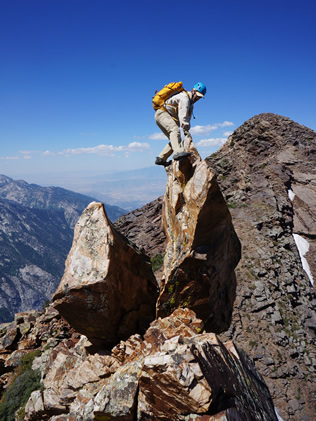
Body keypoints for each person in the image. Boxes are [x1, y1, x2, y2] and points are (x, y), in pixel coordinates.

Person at [154, 82, 207, 166]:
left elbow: (187, 118)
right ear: (193, 91)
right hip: (162, 114)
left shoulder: (191, 105)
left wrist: (186, 131)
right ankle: (178, 153)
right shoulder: (184, 98)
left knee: (176, 140)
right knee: (175, 130)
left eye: (200, 97)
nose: (197, 98)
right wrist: (185, 128)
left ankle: (161, 158)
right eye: (197, 94)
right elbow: (183, 115)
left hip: (165, 116)